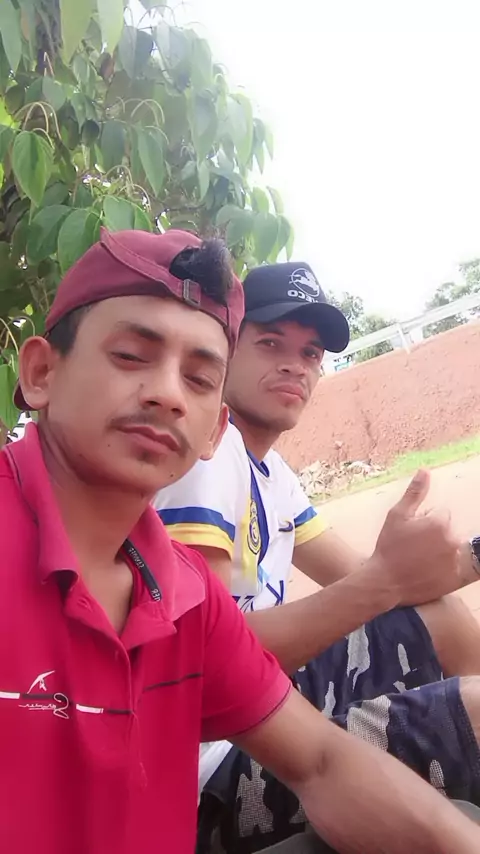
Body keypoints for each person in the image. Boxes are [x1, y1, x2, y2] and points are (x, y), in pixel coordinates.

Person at [5, 229, 479, 854]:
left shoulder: (183, 583)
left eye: (199, 377)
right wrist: (383, 582)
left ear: (214, 424)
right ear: (41, 372)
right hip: (215, 772)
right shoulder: (209, 478)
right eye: (131, 355)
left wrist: (417, 570)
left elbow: (321, 758)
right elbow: (373, 585)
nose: (168, 394)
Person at [156, 260, 480, 853]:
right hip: (211, 770)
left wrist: (462, 558)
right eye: (271, 343)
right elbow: (202, 663)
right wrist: (381, 584)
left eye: (310, 353)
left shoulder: (270, 470)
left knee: (439, 619)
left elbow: (382, 582)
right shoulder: (208, 460)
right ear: (223, 351)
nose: (294, 365)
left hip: (264, 698)